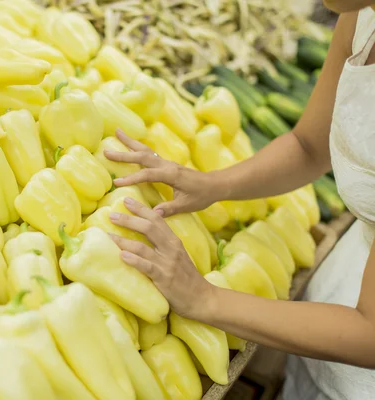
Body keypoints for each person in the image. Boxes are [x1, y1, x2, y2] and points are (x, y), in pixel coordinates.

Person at [104, 1, 375, 399]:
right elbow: (308, 146)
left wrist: (204, 298)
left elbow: (370, 333)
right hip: (345, 287)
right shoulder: (360, 14)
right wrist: (213, 185)